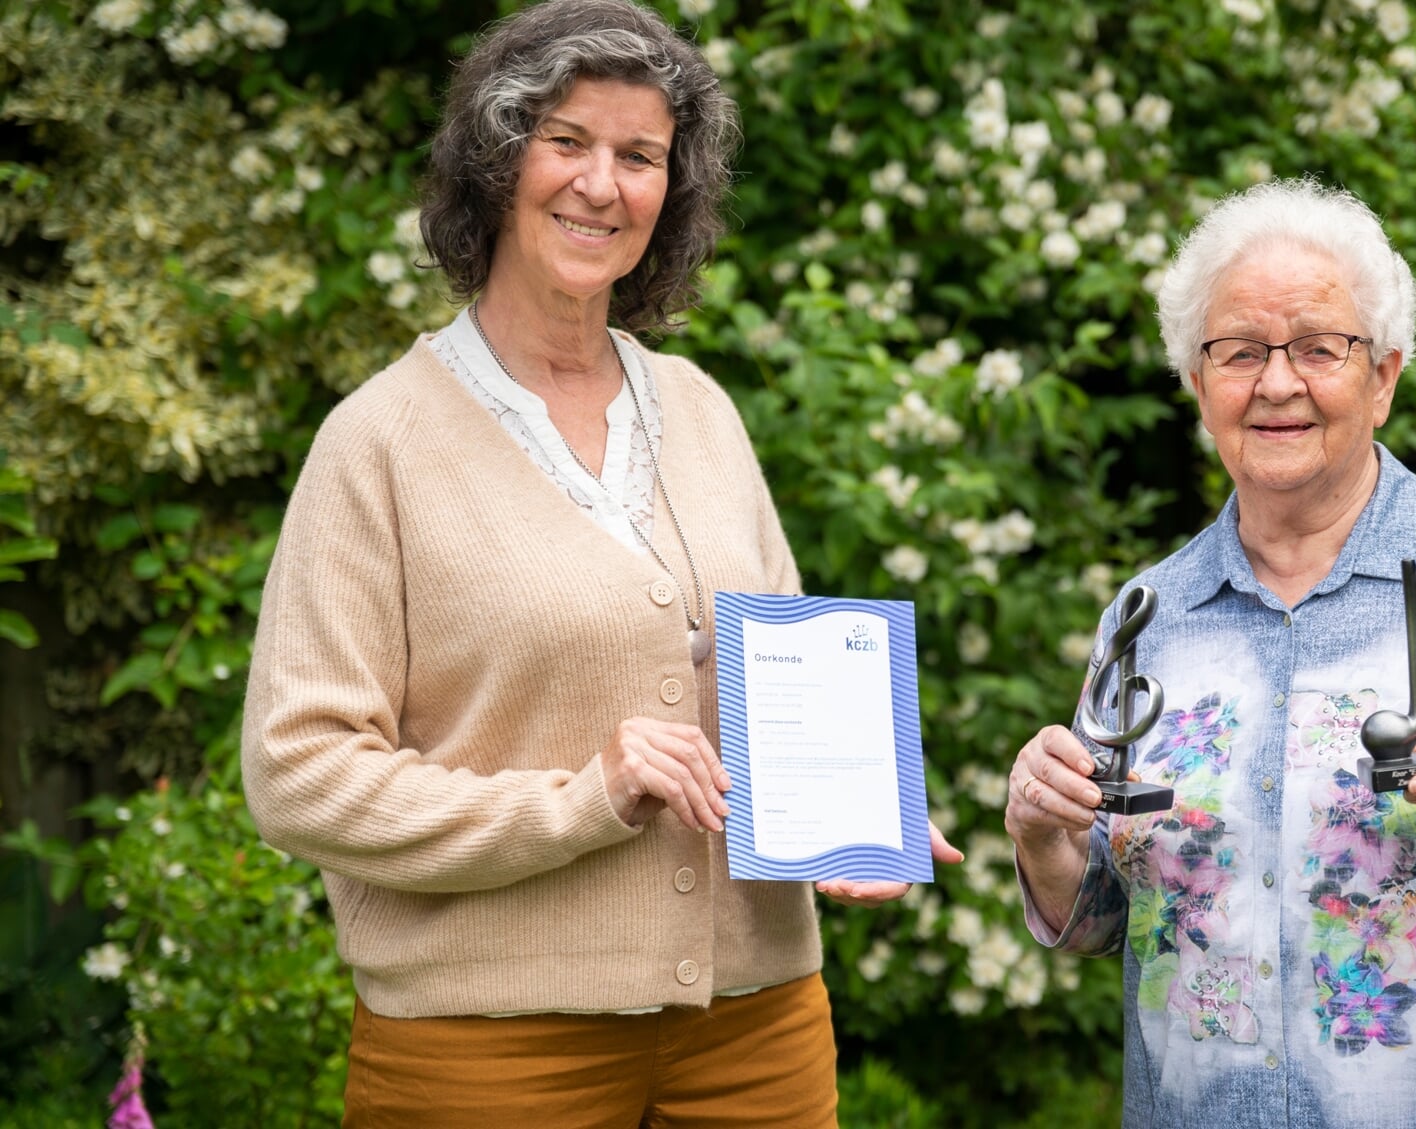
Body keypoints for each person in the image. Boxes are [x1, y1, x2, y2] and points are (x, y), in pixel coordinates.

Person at [241, 2, 953, 1124]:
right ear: (495, 160)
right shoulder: (377, 442)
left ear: (672, 193)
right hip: (491, 1049)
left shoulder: (702, 411)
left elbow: (790, 688)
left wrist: (860, 807)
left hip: (756, 1025)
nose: (600, 184)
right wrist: (582, 799)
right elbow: (300, 773)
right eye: (565, 141)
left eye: (640, 156)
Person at [1004, 178, 1416, 1127]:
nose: (1276, 383)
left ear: (1383, 376)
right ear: (1198, 385)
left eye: (1318, 348)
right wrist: (1041, 831)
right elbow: (1103, 914)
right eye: (1237, 352)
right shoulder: (1147, 616)